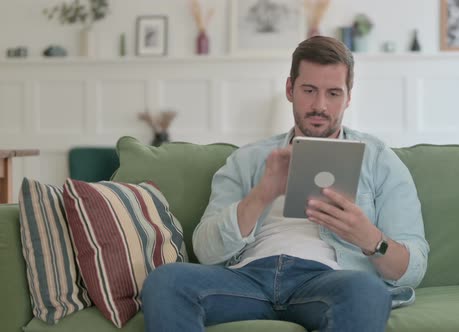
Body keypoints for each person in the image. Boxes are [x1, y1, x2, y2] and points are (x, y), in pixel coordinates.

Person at [141, 36, 429, 332]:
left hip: (328, 281)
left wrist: (369, 238)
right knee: (166, 281)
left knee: (368, 292)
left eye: (333, 93)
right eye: (309, 90)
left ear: (348, 97)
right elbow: (205, 249)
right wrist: (262, 194)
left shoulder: (380, 161)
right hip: (248, 279)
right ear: (290, 89)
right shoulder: (248, 159)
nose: (320, 105)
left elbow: (413, 268)